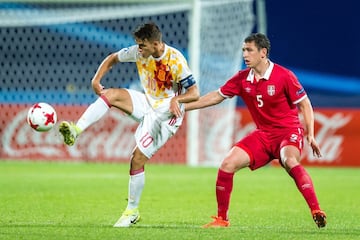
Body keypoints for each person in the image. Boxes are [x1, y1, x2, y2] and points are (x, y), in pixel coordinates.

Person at [59, 22, 199, 227]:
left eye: (142, 45)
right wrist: (96, 80)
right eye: (137, 44)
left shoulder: (175, 60)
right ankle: (76, 129)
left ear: (156, 43)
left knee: (137, 159)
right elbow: (112, 58)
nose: (138, 49)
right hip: (147, 102)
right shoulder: (139, 52)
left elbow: (195, 93)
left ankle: (132, 211)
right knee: (111, 94)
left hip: (167, 114)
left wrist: (177, 100)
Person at [185, 33, 326, 228]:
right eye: (243, 50)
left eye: (249, 50)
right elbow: (215, 97)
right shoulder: (242, 78)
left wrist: (310, 134)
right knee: (227, 164)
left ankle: (316, 209)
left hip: (288, 132)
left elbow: (305, 105)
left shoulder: (284, 76)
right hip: (263, 135)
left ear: (263, 53)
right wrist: (183, 107)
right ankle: (221, 219)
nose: (244, 54)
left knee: (289, 160)